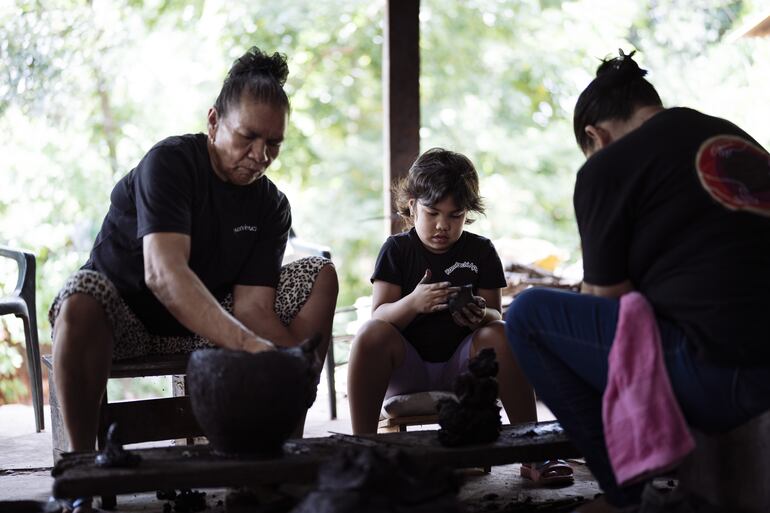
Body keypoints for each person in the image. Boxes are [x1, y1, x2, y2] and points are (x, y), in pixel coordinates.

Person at [49, 47, 338, 510]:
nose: (260, 155)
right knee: (79, 300)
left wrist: (289, 364)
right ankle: (81, 473)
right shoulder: (170, 164)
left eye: (274, 144)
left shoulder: (270, 205)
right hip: (125, 318)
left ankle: (283, 453)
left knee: (319, 274)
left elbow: (253, 309)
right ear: (213, 121)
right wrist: (251, 348)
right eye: (247, 137)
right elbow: (164, 276)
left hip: (205, 325)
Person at [504, 50, 770, 511]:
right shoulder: (738, 141)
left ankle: (625, 495)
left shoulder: (607, 167)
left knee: (527, 315)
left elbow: (613, 306)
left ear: (595, 136)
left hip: (726, 375)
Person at [347, 148, 573, 485]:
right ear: (412, 207)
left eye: (455, 215)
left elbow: (495, 311)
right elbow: (379, 315)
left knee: (499, 332)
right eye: (432, 212)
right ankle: (362, 453)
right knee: (370, 335)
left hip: (464, 370)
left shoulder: (480, 250)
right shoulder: (397, 249)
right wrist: (414, 303)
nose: (442, 225)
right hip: (407, 368)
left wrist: (479, 315)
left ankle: (534, 451)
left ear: (468, 214)